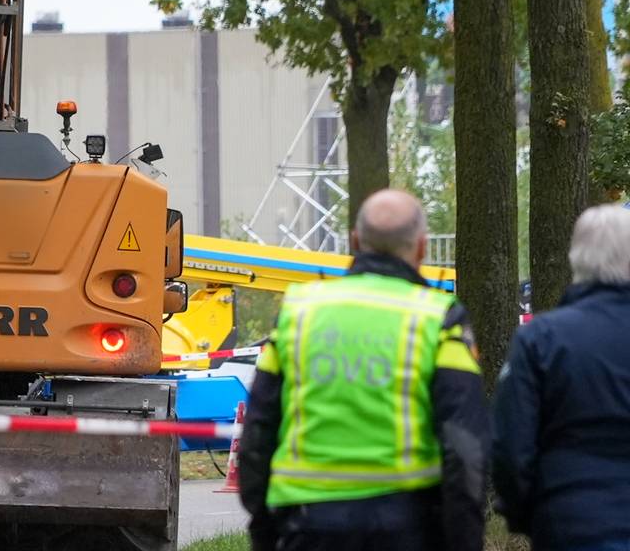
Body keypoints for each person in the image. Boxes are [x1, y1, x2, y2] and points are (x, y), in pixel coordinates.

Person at [238, 189, 489, 551]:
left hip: (307, 523)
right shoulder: (439, 318)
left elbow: (259, 430)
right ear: (421, 247)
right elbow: (464, 444)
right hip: (405, 525)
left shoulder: (299, 311)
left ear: (355, 241)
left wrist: (263, 528)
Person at [493, 204, 630, 551]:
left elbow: (510, 445)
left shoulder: (539, 339)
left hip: (571, 520)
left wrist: (529, 514)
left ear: (575, 258)